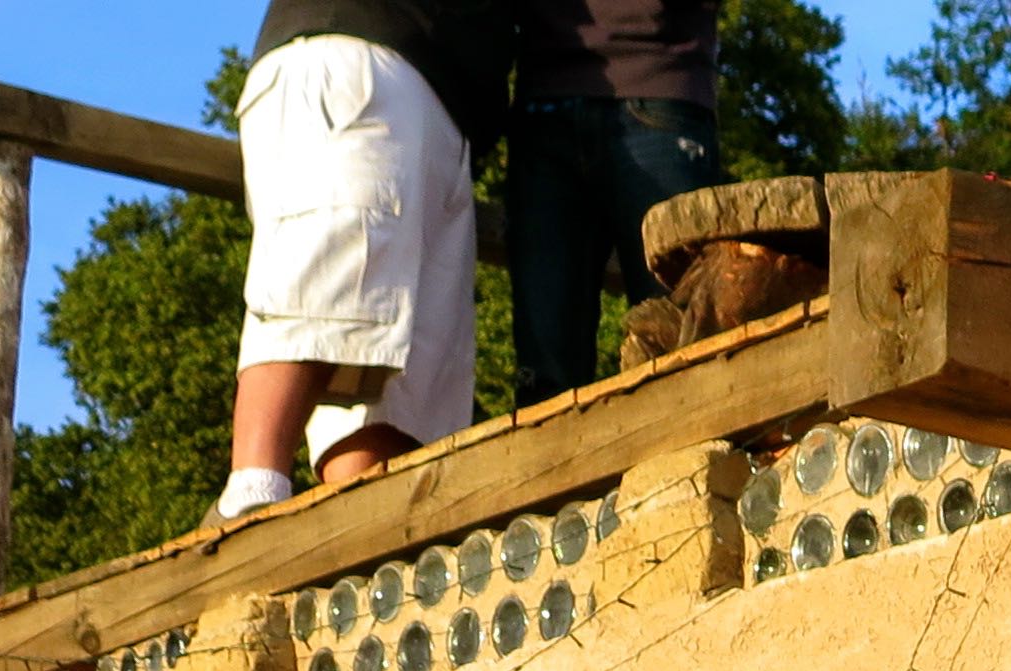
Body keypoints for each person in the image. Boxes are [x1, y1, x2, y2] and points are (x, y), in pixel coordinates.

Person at [210, 6, 509, 523]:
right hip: (358, 54)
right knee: (323, 282)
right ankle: (250, 499)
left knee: (401, 363)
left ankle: (363, 539)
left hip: (438, 103)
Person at [509, 0, 719, 404]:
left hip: (660, 86)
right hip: (544, 97)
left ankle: (690, 469)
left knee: (680, 354)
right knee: (544, 380)